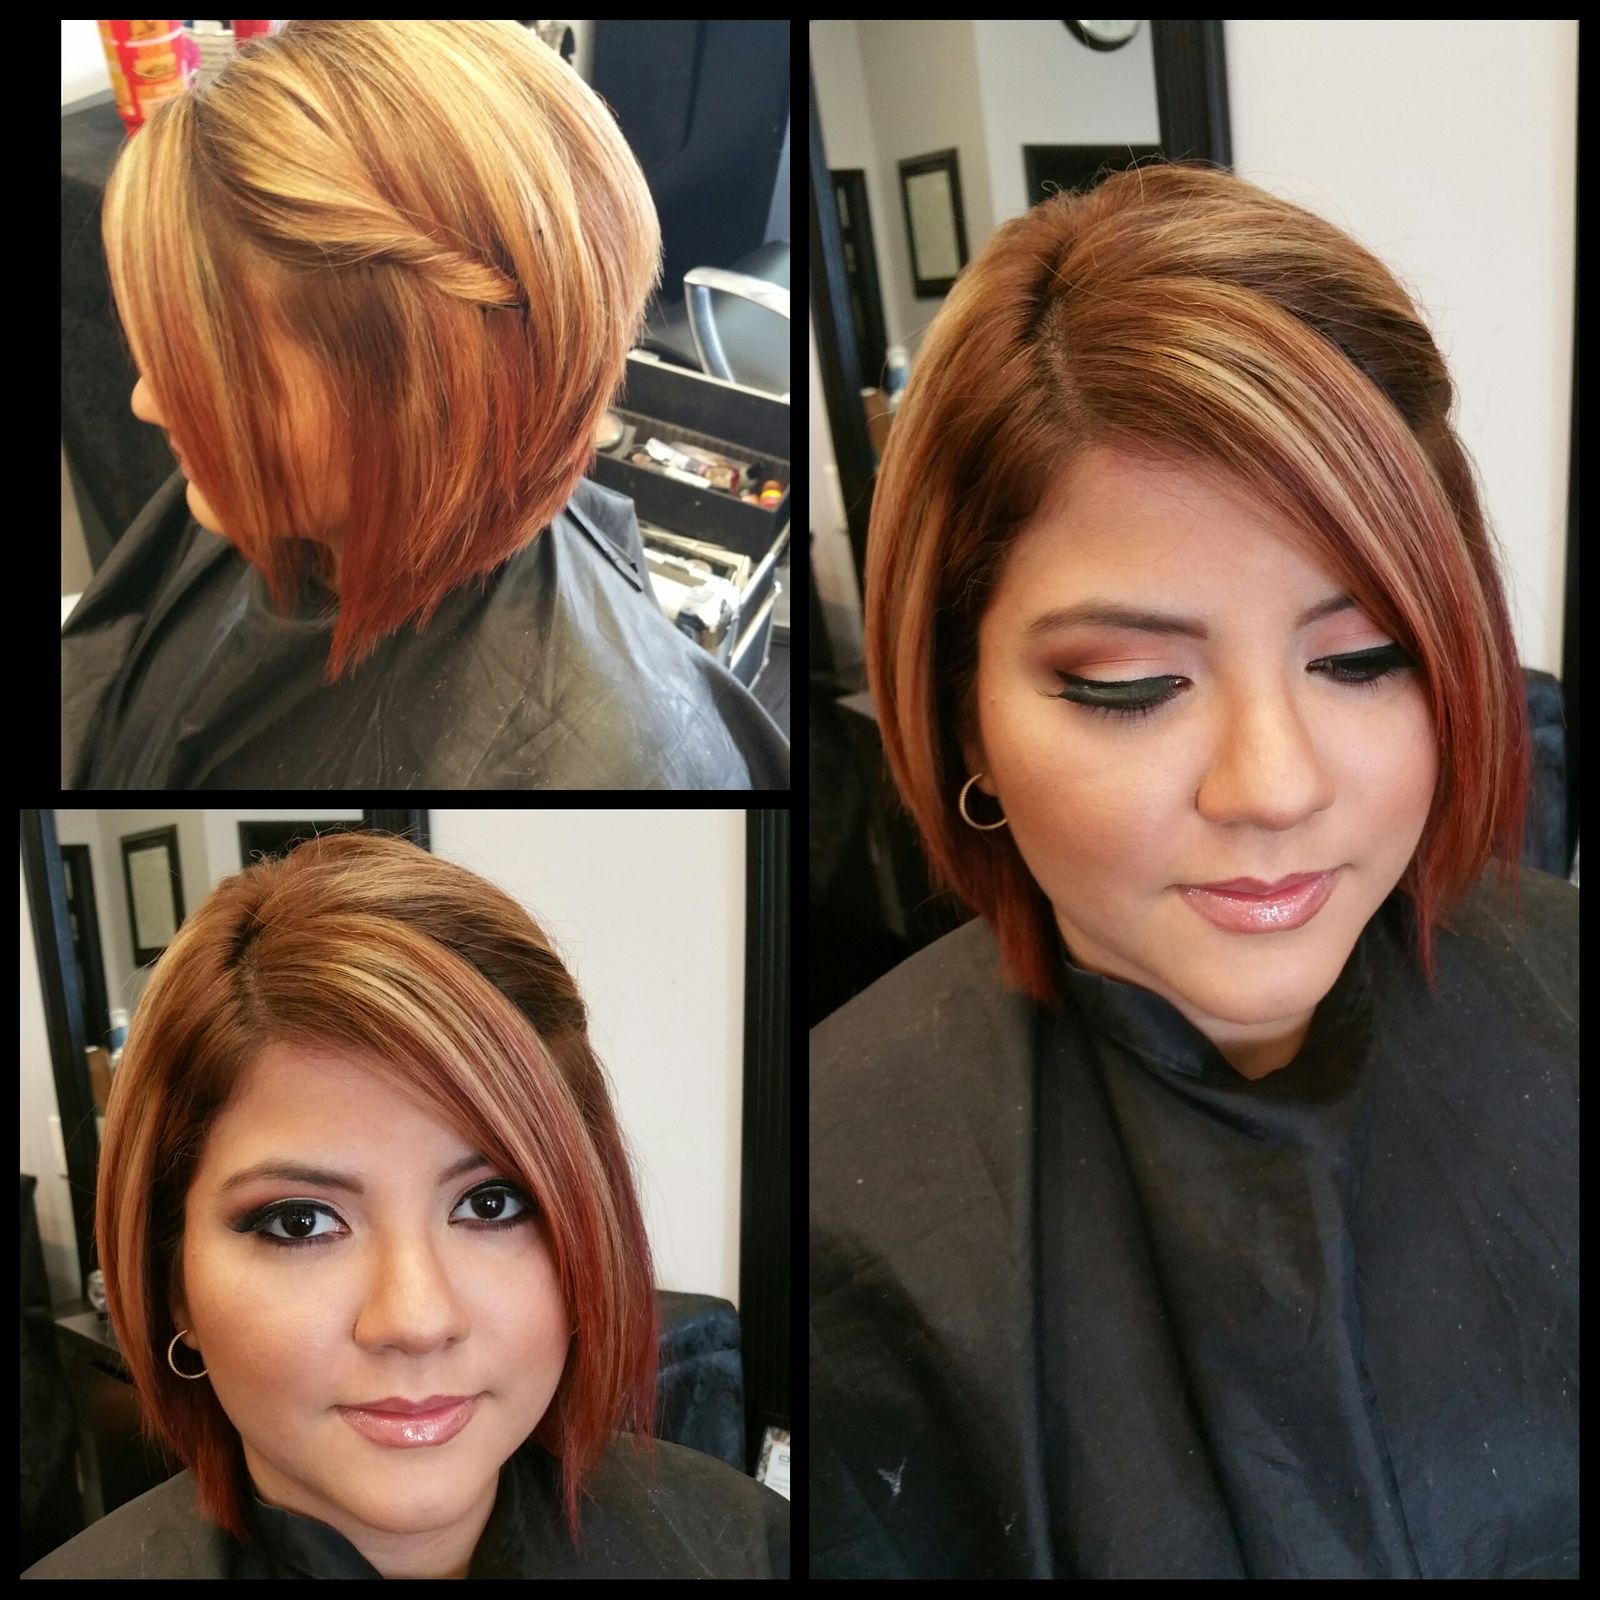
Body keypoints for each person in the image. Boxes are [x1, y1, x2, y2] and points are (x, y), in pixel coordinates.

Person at [810, 161, 1577, 1579]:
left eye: (1364, 658)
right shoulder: (842, 1203)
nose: (1273, 786)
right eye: (1129, 685)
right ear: (964, 709)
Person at [25, 832, 787, 1578]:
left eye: (492, 1204)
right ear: (174, 1284)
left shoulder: (748, 1547)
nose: (417, 1320)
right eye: (300, 1221)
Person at [64, 20, 788, 789]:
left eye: (212, 367)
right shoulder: (273, 497)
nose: (146, 402)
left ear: (428, 395)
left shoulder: (613, 765)